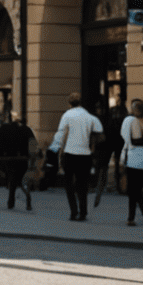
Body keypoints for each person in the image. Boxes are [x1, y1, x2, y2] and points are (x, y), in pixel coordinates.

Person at [48, 92, 102, 221]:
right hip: (85, 155)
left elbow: (61, 133)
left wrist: (53, 149)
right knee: (82, 184)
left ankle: (74, 211)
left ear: (69, 103)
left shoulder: (67, 115)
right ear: (81, 102)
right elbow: (99, 133)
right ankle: (83, 212)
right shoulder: (89, 117)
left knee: (69, 184)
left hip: (70, 153)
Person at [121, 98, 143, 225]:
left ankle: (132, 217)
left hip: (134, 157)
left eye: (135, 108)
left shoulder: (133, 121)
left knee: (133, 190)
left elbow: (133, 141)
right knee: (136, 189)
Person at [0, 111, 35, 211]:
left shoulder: (3, 128)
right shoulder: (26, 129)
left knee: (12, 178)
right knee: (20, 180)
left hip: (7, 158)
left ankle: (11, 201)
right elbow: (32, 143)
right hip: (22, 158)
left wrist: (2, 148)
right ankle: (25, 199)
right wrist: (32, 156)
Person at [91, 99, 125, 207]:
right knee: (103, 168)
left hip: (105, 146)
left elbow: (95, 134)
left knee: (103, 168)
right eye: (98, 108)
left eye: (99, 108)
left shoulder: (100, 119)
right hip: (108, 146)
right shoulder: (109, 119)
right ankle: (108, 185)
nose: (99, 110)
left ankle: (102, 186)